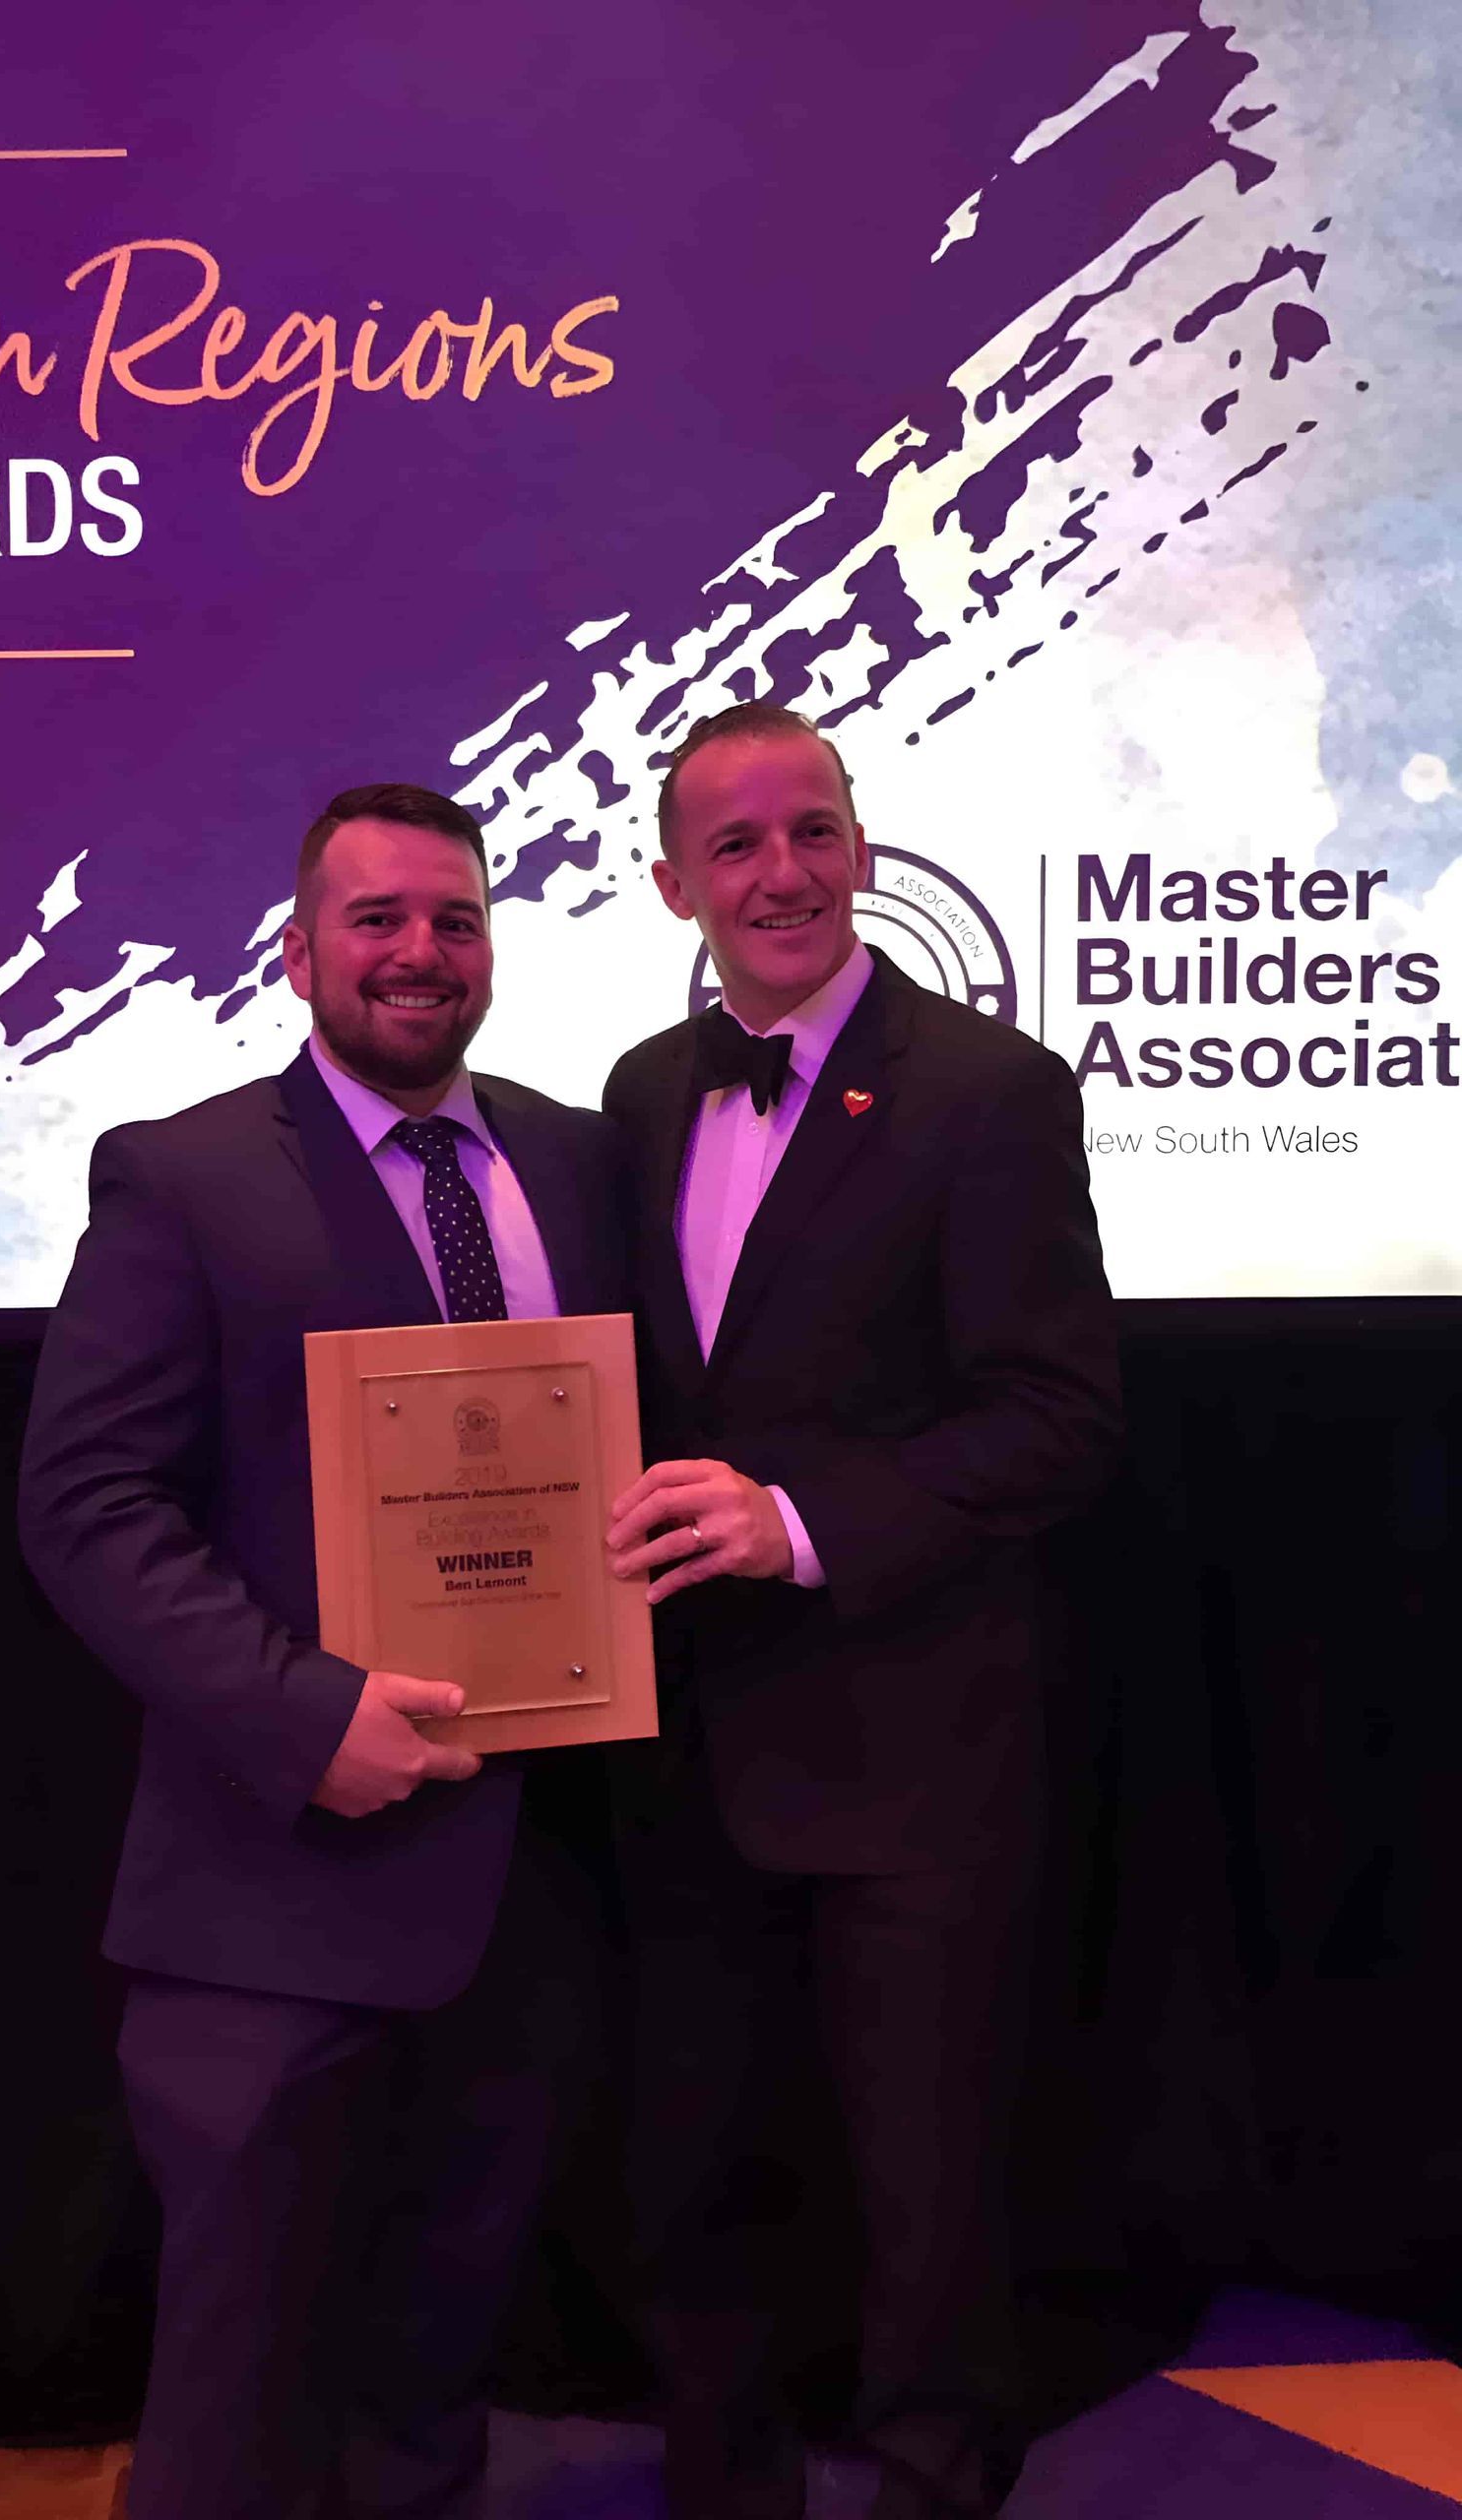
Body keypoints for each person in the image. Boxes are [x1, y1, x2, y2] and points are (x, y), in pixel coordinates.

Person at [19, 783, 624, 2520]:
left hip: (527, 1890)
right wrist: (303, 1714)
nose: (419, 954)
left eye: (454, 919)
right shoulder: (183, 1174)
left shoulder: (571, 1160)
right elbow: (87, 1505)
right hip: (270, 1891)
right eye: (377, 920)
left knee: (438, 2363)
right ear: (298, 955)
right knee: (240, 2388)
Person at [603, 703, 1121, 2520]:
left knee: (926, 2173)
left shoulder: (991, 1089)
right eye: (735, 844)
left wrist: (801, 1522)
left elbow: (1061, 1416)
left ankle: (926, 2470)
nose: (782, 873)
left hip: (919, 1733)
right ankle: (719, 2473)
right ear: (673, 881)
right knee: (697, 2154)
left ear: (867, 852)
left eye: (811, 830)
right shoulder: (643, 1092)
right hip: (683, 1743)